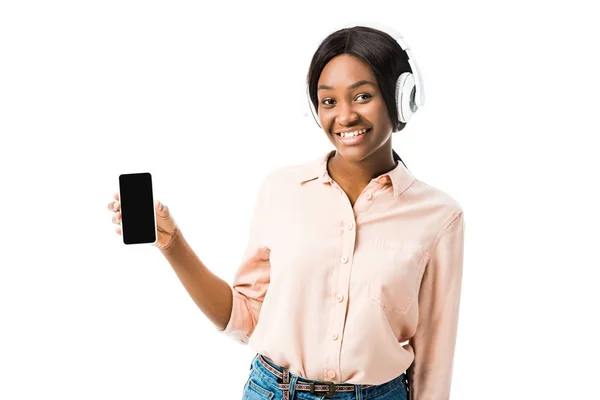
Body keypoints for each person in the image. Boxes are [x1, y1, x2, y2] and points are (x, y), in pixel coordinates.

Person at [108, 24, 465, 400]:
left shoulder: (438, 216)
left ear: (401, 97)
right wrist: (172, 244)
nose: (344, 116)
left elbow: (434, 360)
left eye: (362, 96)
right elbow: (245, 317)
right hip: (272, 390)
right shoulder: (281, 191)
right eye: (329, 101)